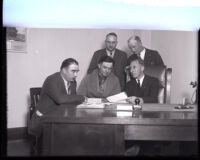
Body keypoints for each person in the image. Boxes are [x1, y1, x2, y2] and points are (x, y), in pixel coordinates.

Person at [28, 58, 86, 138]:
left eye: (77, 71)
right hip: (44, 119)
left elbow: (72, 100)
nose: (76, 75)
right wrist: (82, 97)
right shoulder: (51, 80)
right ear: (63, 70)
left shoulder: (73, 82)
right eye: (73, 71)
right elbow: (61, 99)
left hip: (60, 117)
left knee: (77, 132)